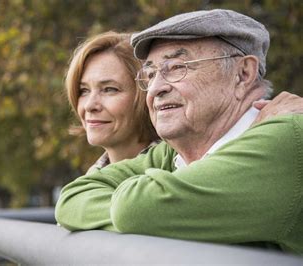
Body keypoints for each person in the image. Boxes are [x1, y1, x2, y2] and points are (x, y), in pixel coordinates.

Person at [55, 9, 303, 254]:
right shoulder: (172, 153)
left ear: (243, 73)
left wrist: (139, 212)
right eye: (150, 74)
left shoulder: (285, 139)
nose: (155, 89)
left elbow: (136, 210)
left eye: (176, 67)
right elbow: (72, 199)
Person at [65, 31, 159, 172]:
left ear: (146, 93)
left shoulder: (178, 172)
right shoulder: (89, 184)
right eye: (84, 90)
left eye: (109, 89)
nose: (90, 106)